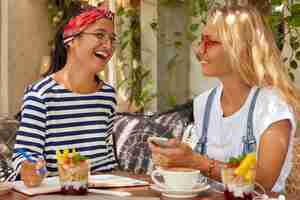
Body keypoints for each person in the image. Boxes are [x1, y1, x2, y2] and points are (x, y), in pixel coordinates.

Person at [149, 5, 300, 193]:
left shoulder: (271, 106)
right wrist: (174, 158)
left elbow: (263, 182)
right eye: (201, 41)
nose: (199, 51)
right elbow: (197, 175)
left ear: (240, 49)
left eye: (210, 42)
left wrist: (198, 161)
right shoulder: (204, 103)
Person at [12, 5, 118, 185]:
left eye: (112, 38)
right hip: (59, 191)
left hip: (104, 189)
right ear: (71, 39)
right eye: (99, 35)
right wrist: (30, 168)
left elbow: (107, 157)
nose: (108, 45)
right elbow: (25, 154)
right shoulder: (41, 95)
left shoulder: (108, 95)